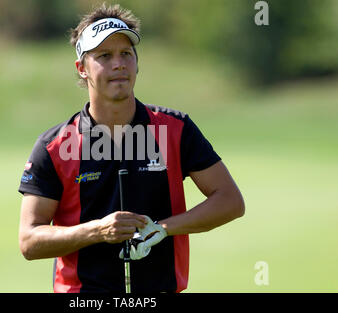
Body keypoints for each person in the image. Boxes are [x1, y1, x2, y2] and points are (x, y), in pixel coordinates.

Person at [18, 3, 245, 293]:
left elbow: (230, 201)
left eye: (126, 54)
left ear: (137, 62)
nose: (118, 64)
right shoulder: (55, 146)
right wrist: (98, 230)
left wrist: (162, 229)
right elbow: (29, 240)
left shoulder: (174, 129)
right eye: (104, 56)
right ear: (82, 68)